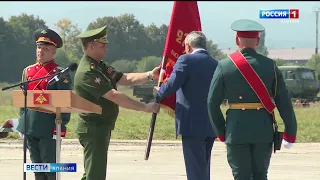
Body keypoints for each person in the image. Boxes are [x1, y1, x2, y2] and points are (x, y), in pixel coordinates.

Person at [207, 19, 297, 180]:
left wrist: (222, 132)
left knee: (240, 175)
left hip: (236, 130)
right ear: (258, 41)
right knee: (261, 175)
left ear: (236, 40)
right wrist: (290, 132)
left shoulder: (224, 66)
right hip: (263, 130)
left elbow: (212, 103)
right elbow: (284, 102)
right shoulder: (270, 66)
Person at [73, 25, 160, 180]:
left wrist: (150, 75)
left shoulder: (100, 66)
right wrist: (144, 107)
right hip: (93, 128)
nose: (106, 48)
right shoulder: (88, 71)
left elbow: (123, 78)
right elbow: (114, 96)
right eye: (102, 45)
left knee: (93, 173)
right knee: (95, 175)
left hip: (100, 126)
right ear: (91, 46)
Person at [154, 31, 218, 180]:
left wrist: (159, 92)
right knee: (203, 166)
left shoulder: (186, 60)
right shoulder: (215, 63)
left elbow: (172, 84)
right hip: (211, 123)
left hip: (191, 122)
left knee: (195, 169)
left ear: (188, 46)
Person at [16, 28, 72, 180]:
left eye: (46, 48)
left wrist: (61, 127)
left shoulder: (60, 73)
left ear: (53, 52)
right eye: (39, 47)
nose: (41, 51)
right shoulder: (28, 71)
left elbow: (65, 103)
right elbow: (24, 100)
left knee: (50, 168)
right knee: (37, 169)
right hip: (30, 126)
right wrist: (22, 121)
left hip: (49, 128)